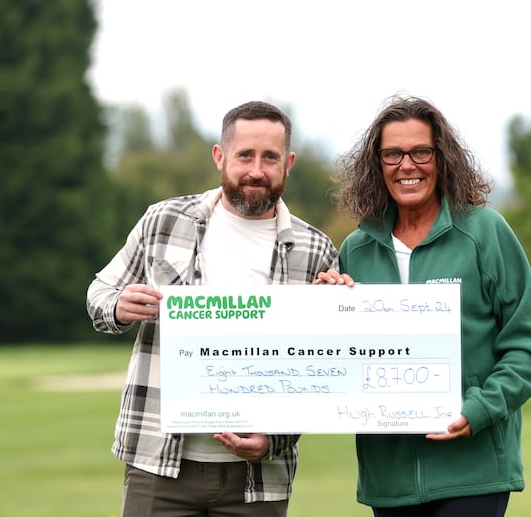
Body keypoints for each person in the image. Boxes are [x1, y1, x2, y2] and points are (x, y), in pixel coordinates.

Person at [86, 100, 340, 517]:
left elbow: (321, 368)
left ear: (288, 163)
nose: (256, 169)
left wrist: (275, 439)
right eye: (245, 155)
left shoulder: (316, 250)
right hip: (158, 463)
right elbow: (100, 292)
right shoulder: (163, 221)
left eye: (270, 158)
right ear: (220, 157)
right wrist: (118, 306)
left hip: (259, 478)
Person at [317, 95, 531, 517]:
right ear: (376, 163)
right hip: (389, 479)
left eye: (421, 151)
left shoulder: (485, 232)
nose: (407, 165)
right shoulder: (356, 249)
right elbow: (341, 359)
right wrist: (325, 309)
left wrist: (477, 410)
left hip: (474, 470)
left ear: (442, 158)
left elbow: (527, 349)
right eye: (392, 154)